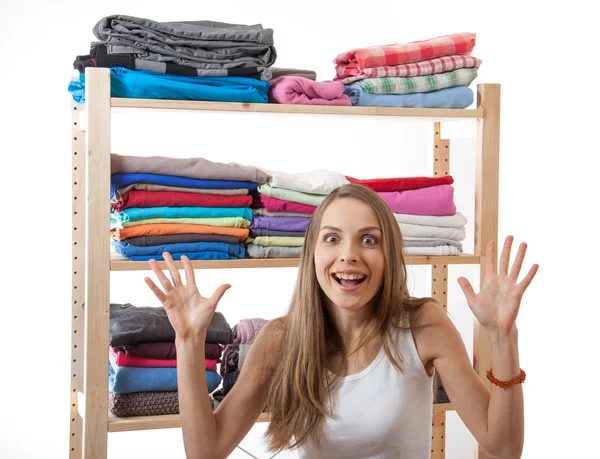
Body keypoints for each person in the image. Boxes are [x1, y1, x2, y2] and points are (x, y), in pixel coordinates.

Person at [144, 184, 538, 459]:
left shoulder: (422, 324)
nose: (348, 255)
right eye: (332, 238)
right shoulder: (281, 339)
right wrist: (189, 341)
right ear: (313, 252)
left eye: (369, 240)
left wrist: (503, 337)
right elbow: (205, 451)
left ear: (389, 256)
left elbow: (503, 447)